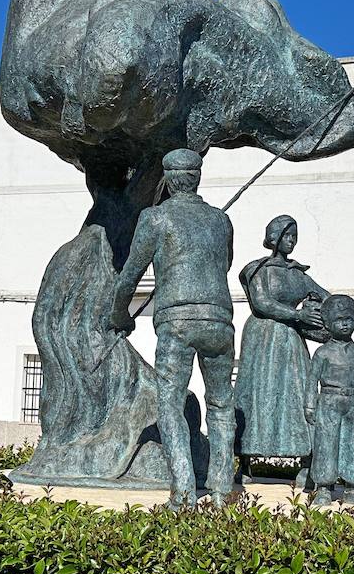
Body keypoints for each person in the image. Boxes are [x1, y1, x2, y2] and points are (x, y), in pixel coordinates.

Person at [110, 148, 236, 505]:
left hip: (176, 322)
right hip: (218, 321)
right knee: (222, 405)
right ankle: (222, 489)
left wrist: (119, 316)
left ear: (166, 179)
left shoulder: (154, 218)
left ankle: (183, 493)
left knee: (170, 404)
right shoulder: (221, 220)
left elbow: (129, 276)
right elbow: (223, 265)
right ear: (197, 177)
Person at [234, 215, 328, 480]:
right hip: (262, 338)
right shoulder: (258, 269)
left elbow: (327, 297)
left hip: (290, 340)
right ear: (274, 238)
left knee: (297, 392)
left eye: (295, 237)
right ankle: (245, 460)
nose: (292, 242)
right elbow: (262, 303)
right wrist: (298, 315)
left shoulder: (298, 274)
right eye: (288, 236)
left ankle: (305, 459)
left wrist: (330, 312)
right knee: (256, 393)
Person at [303, 294, 354, 506]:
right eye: (338, 320)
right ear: (327, 323)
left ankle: (353, 488)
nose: (345, 324)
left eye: (349, 319)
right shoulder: (322, 353)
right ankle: (324, 488)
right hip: (328, 402)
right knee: (326, 444)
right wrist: (309, 405)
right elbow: (312, 381)